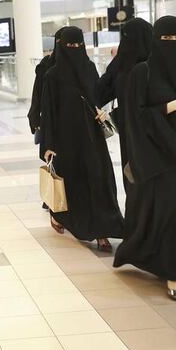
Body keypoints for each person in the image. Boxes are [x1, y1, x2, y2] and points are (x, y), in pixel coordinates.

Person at [113, 16, 176, 300]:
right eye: (166, 39)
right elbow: (133, 117)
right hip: (154, 155)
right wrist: (168, 107)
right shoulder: (140, 73)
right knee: (170, 211)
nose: (173, 45)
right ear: (156, 40)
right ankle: (171, 273)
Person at [41, 26, 124, 252]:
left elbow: (96, 94)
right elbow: (48, 111)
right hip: (66, 140)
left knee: (100, 179)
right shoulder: (52, 75)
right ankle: (65, 218)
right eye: (70, 46)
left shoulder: (89, 68)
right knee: (74, 183)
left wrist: (101, 110)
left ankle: (103, 231)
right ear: (61, 46)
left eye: (79, 45)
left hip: (91, 135)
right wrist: (48, 145)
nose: (75, 49)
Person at [96, 17, 153, 190]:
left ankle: (136, 211)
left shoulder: (121, 63)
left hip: (129, 128)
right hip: (155, 127)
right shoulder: (155, 62)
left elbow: (100, 91)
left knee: (132, 174)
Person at [27, 27, 66, 137]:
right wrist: (34, 116)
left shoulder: (84, 66)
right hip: (51, 119)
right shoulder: (46, 65)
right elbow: (37, 92)